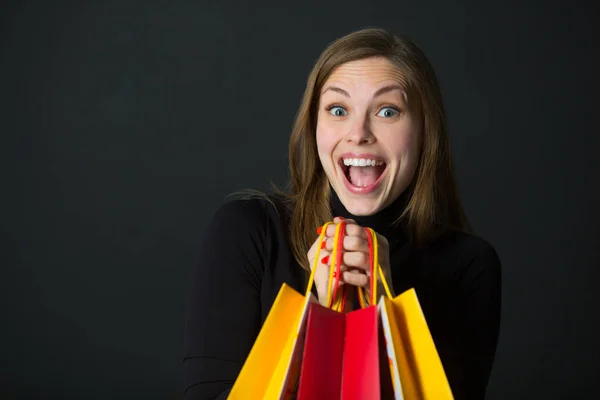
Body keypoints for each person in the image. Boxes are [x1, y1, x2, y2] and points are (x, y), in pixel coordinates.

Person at [183, 27, 502, 400]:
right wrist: (314, 309)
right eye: (338, 109)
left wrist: (386, 308)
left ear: (425, 131)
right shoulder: (250, 232)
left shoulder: (469, 266)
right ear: (314, 127)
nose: (358, 133)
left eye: (387, 111)